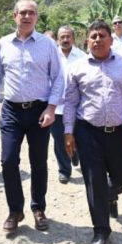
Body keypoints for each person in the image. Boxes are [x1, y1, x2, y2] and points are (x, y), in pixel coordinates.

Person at [63, 20, 122, 244]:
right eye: (93, 36)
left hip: (119, 133)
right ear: (87, 41)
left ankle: (111, 195)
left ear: (111, 39)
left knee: (121, 178)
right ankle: (101, 230)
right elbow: (70, 102)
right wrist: (68, 132)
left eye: (102, 35)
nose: (98, 40)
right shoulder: (77, 68)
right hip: (88, 132)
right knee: (94, 181)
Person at [0, 0, 64, 234]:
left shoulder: (47, 45)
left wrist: (51, 108)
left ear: (37, 17)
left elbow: (58, 77)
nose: (27, 16)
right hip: (11, 110)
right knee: (8, 161)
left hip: (39, 110)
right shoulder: (3, 44)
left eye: (31, 13)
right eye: (22, 13)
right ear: (14, 16)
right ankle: (15, 210)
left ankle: (38, 208)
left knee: (38, 162)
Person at [50, 25, 85, 184]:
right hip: (56, 108)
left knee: (77, 136)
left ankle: (75, 152)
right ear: (58, 39)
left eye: (68, 37)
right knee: (59, 140)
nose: (65, 40)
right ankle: (64, 170)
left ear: (73, 38)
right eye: (62, 37)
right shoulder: (50, 55)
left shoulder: (82, 57)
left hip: (77, 107)